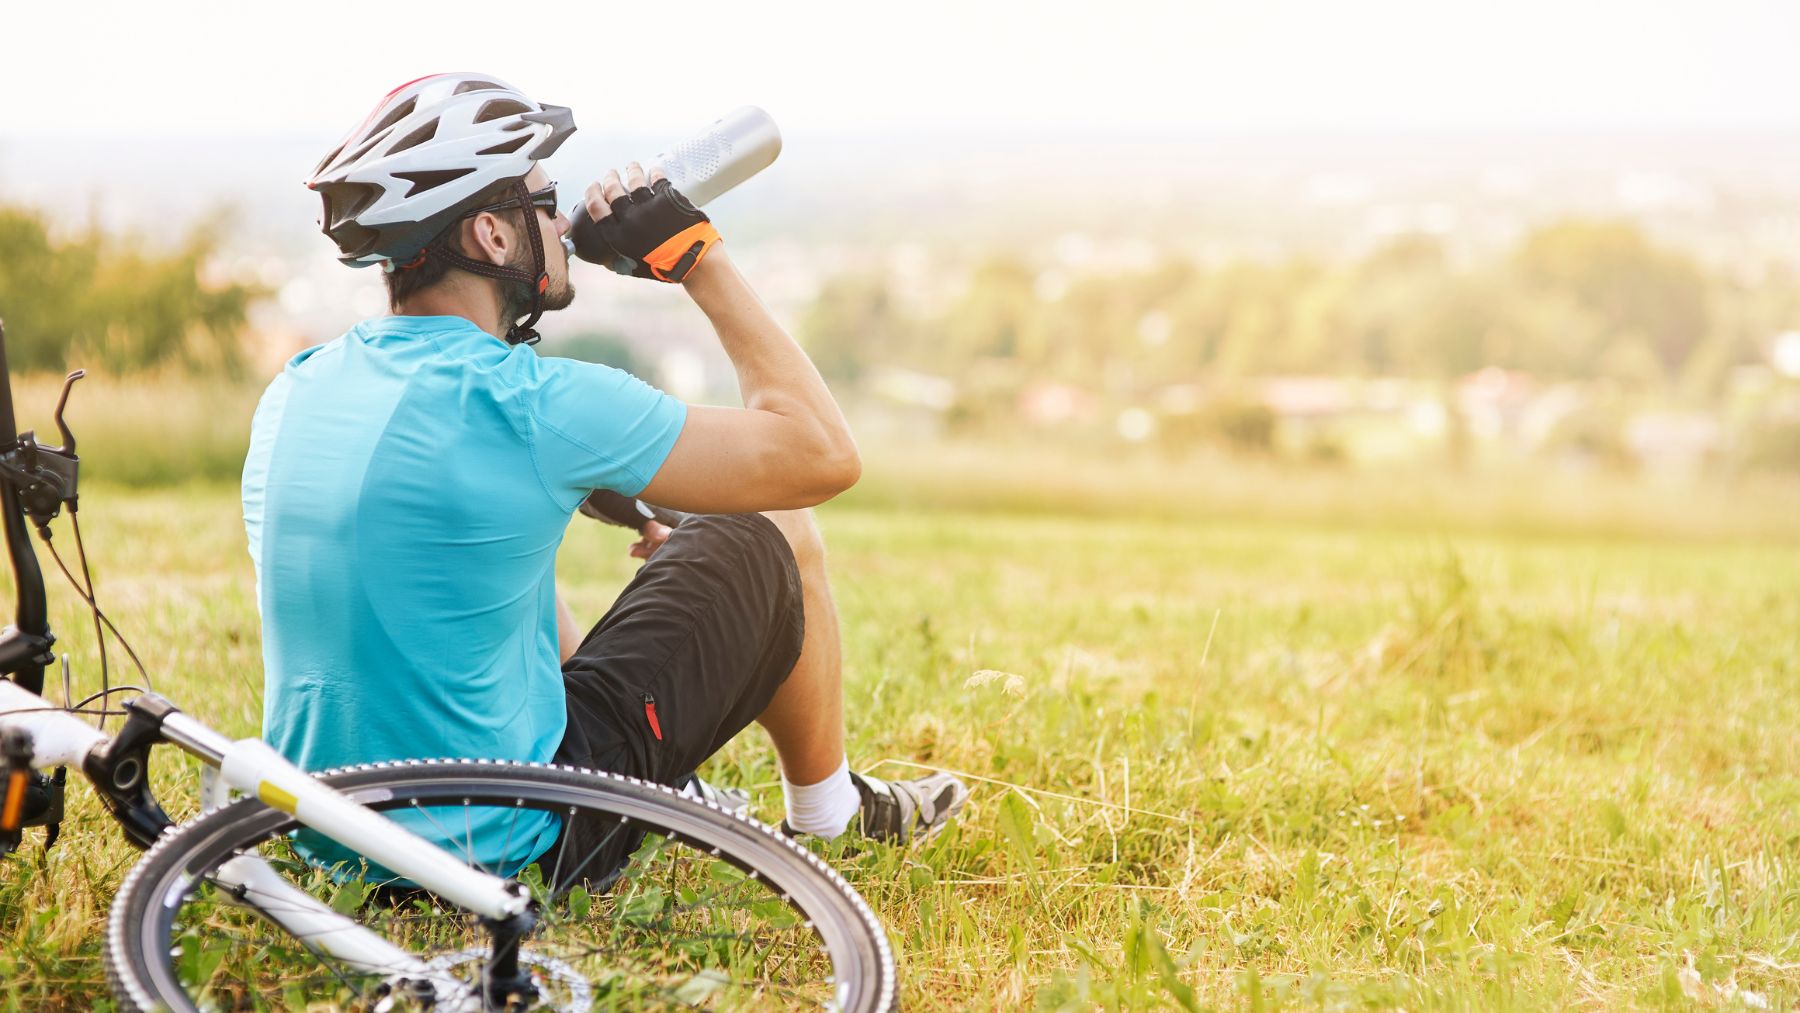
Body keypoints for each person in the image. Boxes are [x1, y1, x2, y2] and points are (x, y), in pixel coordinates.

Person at [243, 73, 966, 880]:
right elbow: (822, 455)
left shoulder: (300, 388)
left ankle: (676, 783)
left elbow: (437, 513)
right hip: (508, 845)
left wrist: (611, 493)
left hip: (331, 836)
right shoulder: (532, 401)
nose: (559, 221)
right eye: (544, 204)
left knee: (484, 573)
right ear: (491, 234)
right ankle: (830, 817)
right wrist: (697, 258)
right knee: (772, 529)